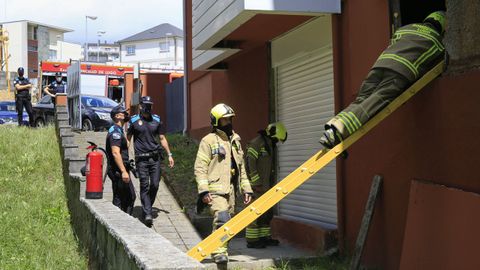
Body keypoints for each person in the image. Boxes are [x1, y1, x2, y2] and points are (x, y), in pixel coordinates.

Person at [319, 11, 446, 149]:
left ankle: (333, 126)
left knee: (361, 99)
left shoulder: (404, 29)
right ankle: (339, 131)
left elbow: (393, 43)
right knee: (377, 100)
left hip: (379, 66)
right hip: (400, 72)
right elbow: (433, 64)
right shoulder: (437, 42)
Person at [194, 103, 253, 264]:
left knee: (228, 223)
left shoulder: (235, 140)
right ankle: (218, 251)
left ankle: (222, 250)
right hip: (216, 190)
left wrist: (246, 189)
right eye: (224, 120)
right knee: (222, 217)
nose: (228, 123)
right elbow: (200, 168)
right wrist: (204, 191)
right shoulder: (209, 141)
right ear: (216, 122)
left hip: (231, 190)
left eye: (230, 120)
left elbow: (241, 168)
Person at [127, 96, 174, 226]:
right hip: (141, 159)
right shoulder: (134, 120)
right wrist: (125, 156)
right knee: (144, 185)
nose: (148, 107)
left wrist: (169, 154)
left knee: (155, 184)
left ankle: (147, 206)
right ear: (141, 106)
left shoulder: (157, 120)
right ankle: (147, 213)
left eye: (150, 105)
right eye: (145, 105)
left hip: (155, 158)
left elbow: (162, 138)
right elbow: (128, 139)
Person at [245, 122, 287, 248]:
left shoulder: (270, 145)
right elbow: (249, 162)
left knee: (266, 213)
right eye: (277, 139)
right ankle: (252, 240)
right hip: (257, 186)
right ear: (273, 134)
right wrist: (255, 182)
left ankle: (264, 238)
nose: (277, 142)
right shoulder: (257, 143)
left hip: (267, 186)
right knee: (254, 213)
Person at [106, 105, 136, 215]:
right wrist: (123, 171)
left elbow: (125, 146)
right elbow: (115, 153)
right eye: (124, 113)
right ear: (117, 116)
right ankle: (123, 223)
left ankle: (121, 221)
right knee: (128, 197)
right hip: (118, 171)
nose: (126, 114)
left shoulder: (119, 130)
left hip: (120, 169)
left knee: (123, 198)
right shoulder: (115, 132)